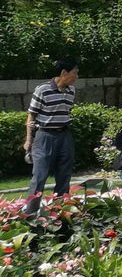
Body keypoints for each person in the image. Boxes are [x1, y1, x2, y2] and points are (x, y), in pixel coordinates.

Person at [23, 58, 79, 216]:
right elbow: (31, 116)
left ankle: (60, 212)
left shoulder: (71, 91)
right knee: (40, 176)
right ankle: (30, 214)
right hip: (45, 136)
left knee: (64, 175)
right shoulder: (42, 90)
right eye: (75, 73)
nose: (77, 77)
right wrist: (29, 140)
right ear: (64, 73)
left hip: (65, 136)